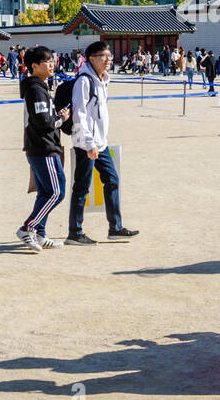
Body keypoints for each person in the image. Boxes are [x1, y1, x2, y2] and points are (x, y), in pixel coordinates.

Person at [66, 41, 138, 245]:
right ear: (91, 58)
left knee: (112, 180)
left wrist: (99, 141)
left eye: (109, 55)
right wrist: (88, 143)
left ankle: (115, 227)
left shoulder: (103, 79)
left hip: (101, 143)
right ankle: (75, 232)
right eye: (103, 56)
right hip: (86, 143)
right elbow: (80, 114)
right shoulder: (84, 82)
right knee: (81, 186)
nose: (108, 59)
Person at [18, 47, 70, 250]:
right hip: (43, 147)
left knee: (45, 192)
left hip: (43, 146)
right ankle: (27, 228)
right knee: (57, 192)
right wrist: (61, 118)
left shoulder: (40, 88)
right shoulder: (36, 89)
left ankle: (40, 233)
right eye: (47, 61)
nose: (52, 64)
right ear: (34, 66)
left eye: (52, 60)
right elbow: (44, 122)